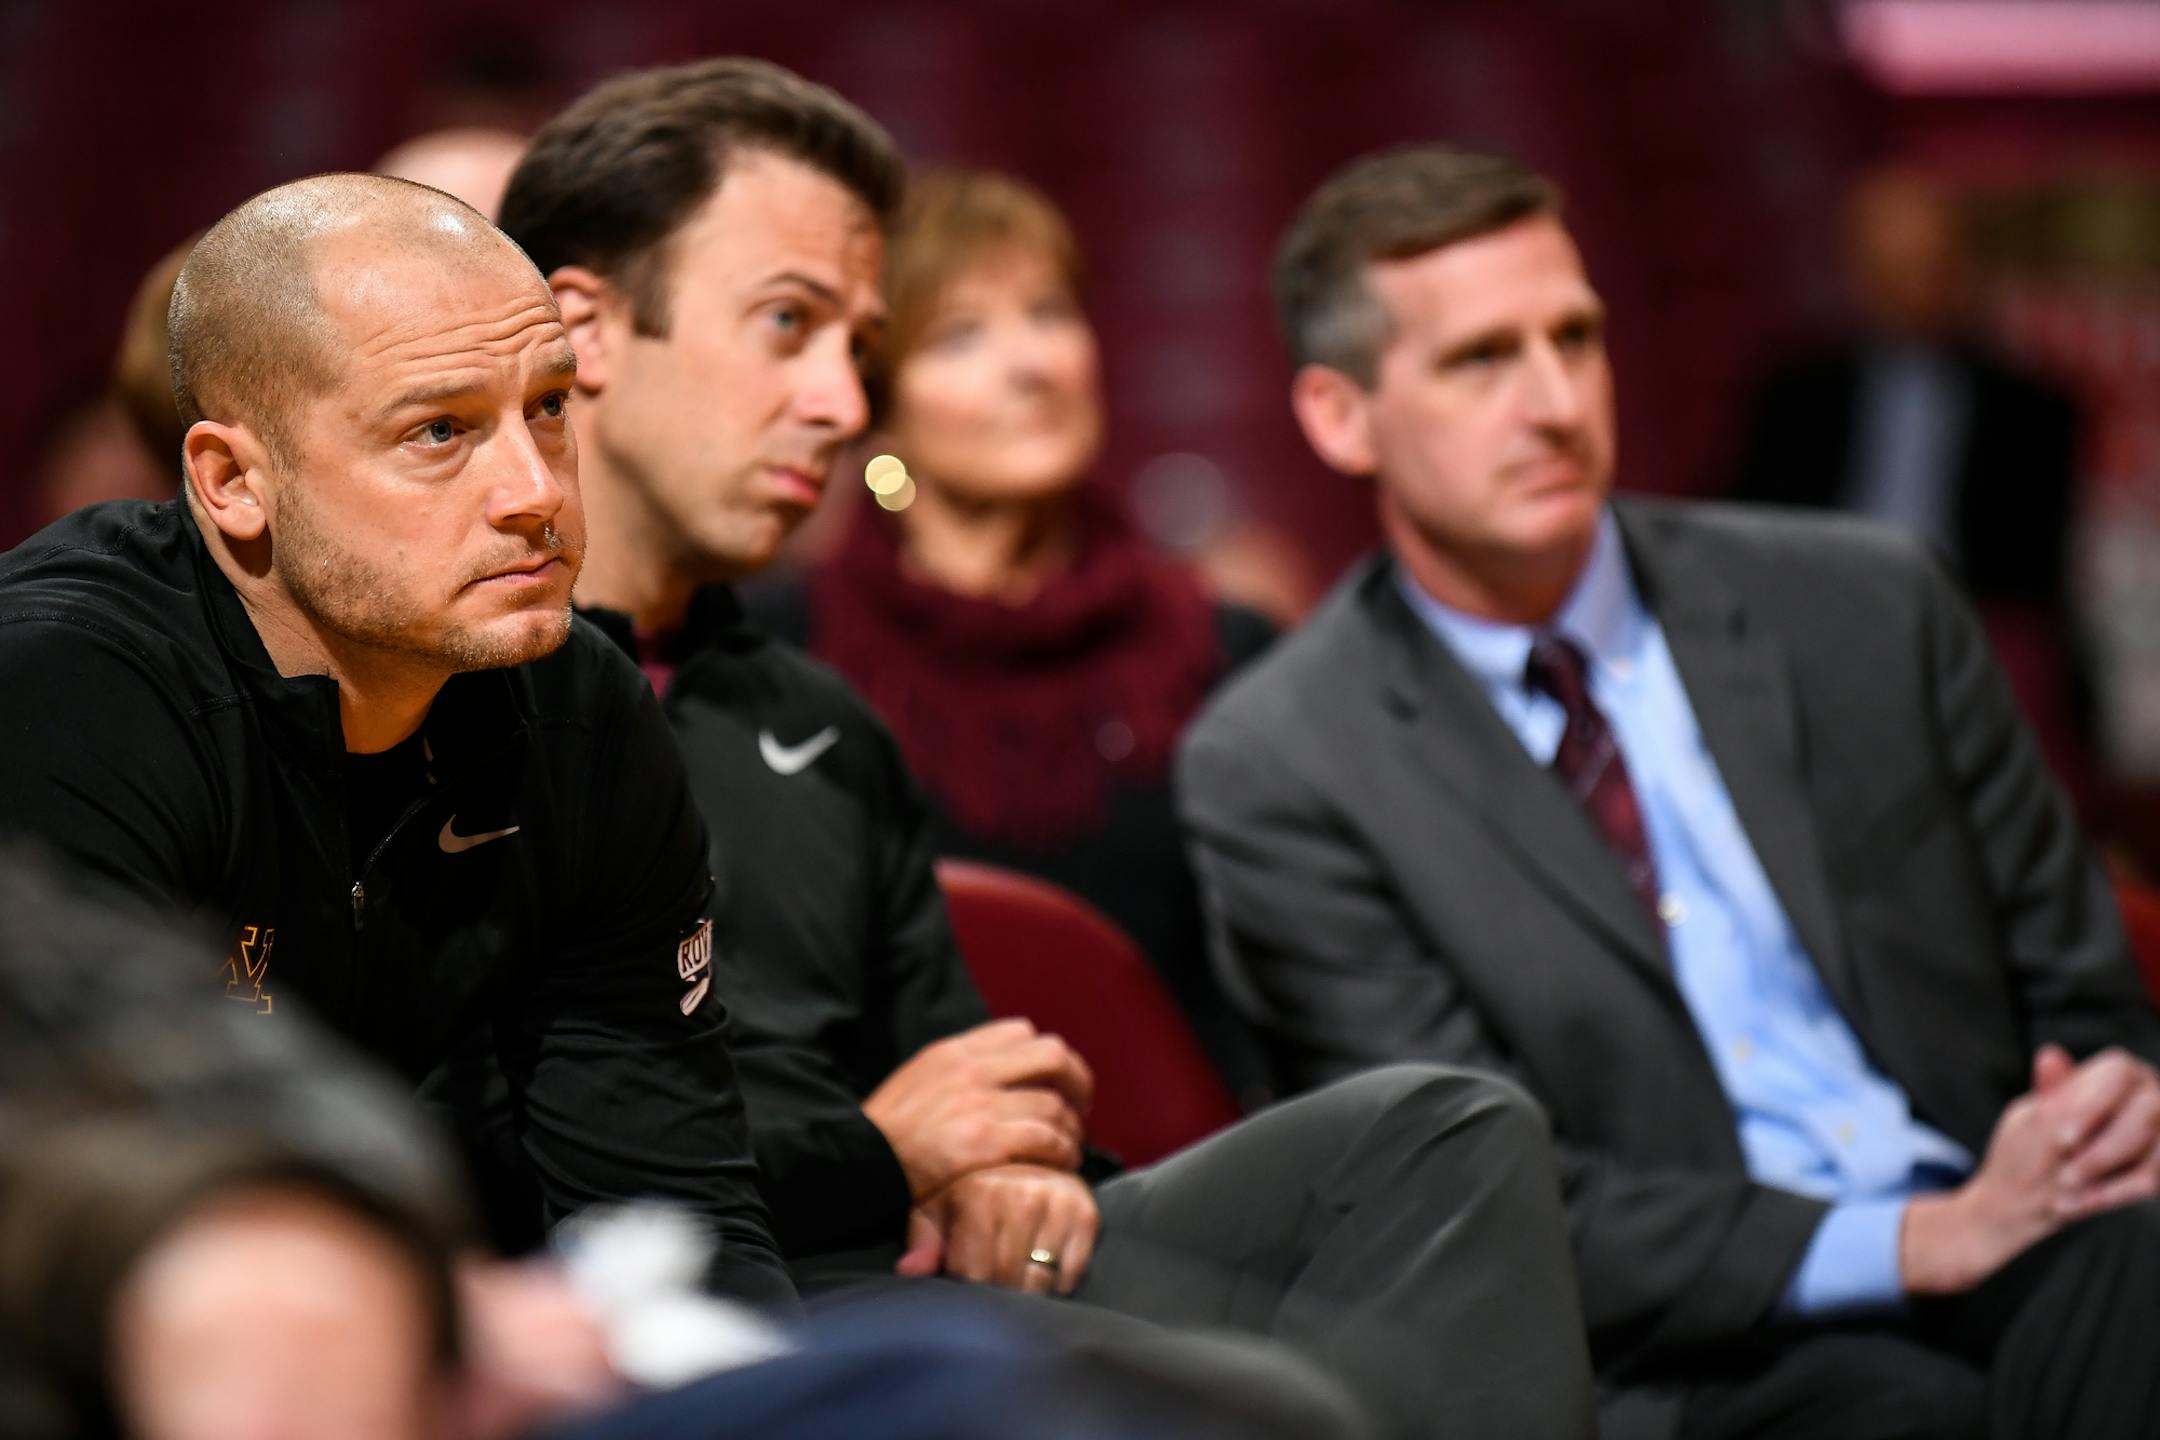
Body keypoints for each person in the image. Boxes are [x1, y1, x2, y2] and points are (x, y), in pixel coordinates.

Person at [497, 57, 1598, 1440]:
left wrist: (1001, 1162)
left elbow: (981, 1074)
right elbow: (518, 1138)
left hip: (950, 1241)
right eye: (796, 328)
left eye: (862, 344)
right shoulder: (461, 693)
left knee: (1446, 1133)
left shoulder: (835, 717)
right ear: (584, 331)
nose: (843, 401)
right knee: (1262, 1395)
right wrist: (887, 1153)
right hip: (726, 1292)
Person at [1177, 143, 2160, 1440]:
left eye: (1573, 339)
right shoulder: (1285, 762)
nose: (1552, 401)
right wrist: (1913, 1239)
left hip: (2037, 1234)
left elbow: (2087, 998)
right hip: (1694, 1349)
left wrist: (2104, 1115)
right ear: (1337, 417)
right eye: (1481, 360)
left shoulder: (1870, 606)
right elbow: (1482, 1205)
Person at [0, 172, 793, 1307]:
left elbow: (672, 1212)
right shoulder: (61, 698)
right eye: (439, 430)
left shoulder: (578, 708)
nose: (535, 491)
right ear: (232, 482)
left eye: (552, 407)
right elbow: (82, 1243)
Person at [743, 169, 1272, 1103]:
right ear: (877, 398)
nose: (1029, 363)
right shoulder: (773, 659)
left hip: (1211, 1189)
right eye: (960, 338)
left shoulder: (1228, 654)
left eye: (1050, 313)